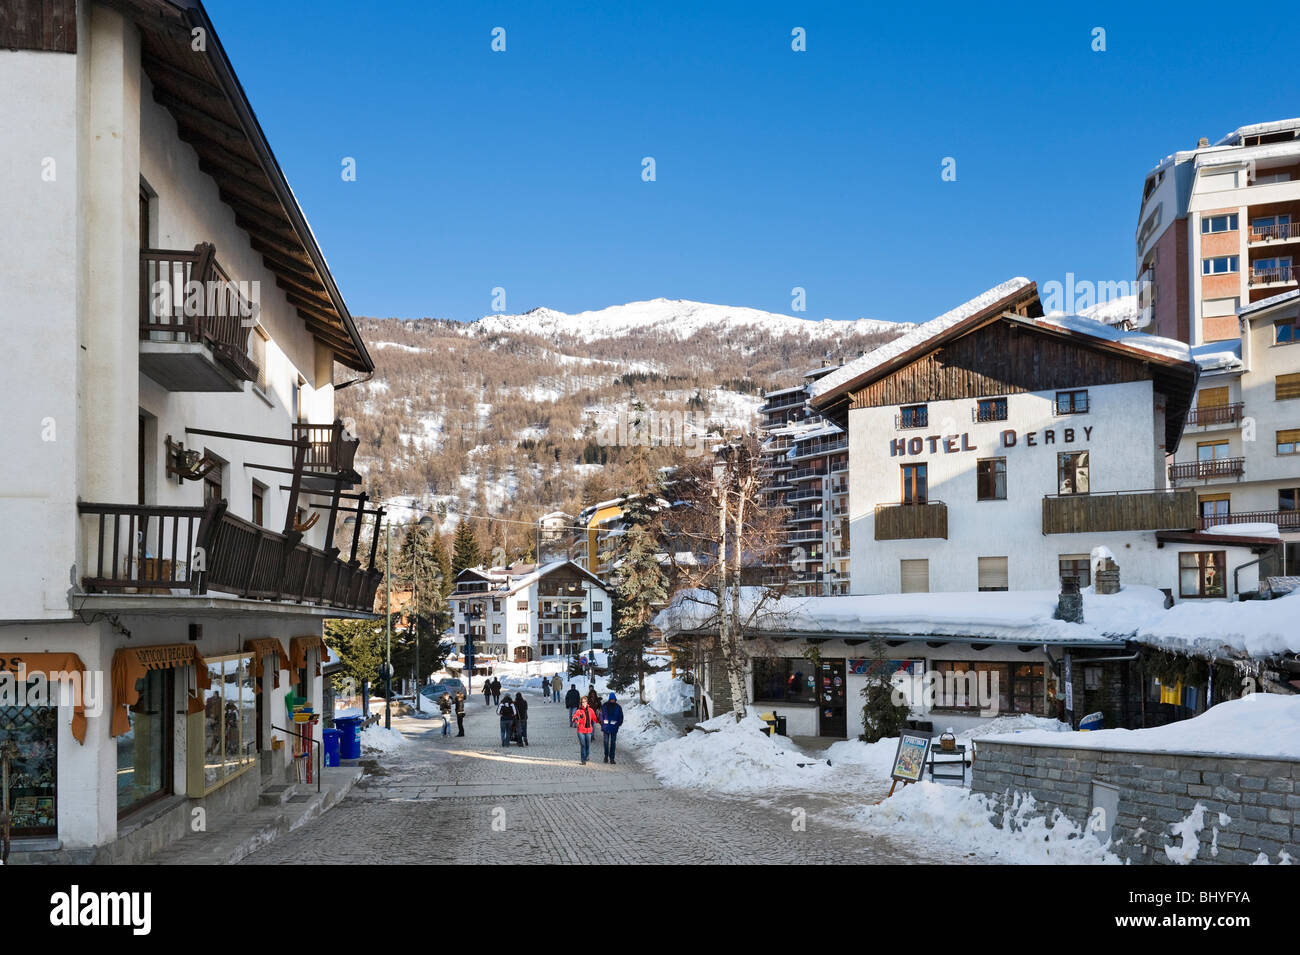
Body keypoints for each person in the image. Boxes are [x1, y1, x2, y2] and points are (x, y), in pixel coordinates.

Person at [572, 695, 598, 764]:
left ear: (587, 702)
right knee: (583, 745)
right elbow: (574, 718)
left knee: (588, 745)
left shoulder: (590, 710)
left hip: (588, 731)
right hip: (581, 731)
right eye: (582, 702)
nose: (584, 703)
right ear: (581, 703)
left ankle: (587, 756)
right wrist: (576, 719)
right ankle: (583, 760)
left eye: (585, 702)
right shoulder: (579, 711)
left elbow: (595, 719)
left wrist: (601, 721)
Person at [600, 692, 624, 764]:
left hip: (614, 728)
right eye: (611, 699)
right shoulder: (604, 706)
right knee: (606, 743)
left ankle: (612, 758)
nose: (612, 700)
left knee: (613, 743)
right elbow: (601, 715)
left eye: (614, 699)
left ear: (615, 699)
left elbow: (621, 716)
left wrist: (619, 723)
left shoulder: (618, 707)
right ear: (609, 699)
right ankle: (606, 756)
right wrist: (602, 723)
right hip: (606, 728)